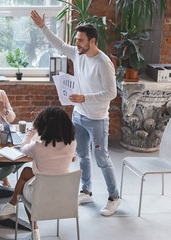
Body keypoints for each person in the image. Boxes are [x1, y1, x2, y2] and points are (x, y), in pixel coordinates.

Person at [31, 10, 121, 216]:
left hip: (97, 118)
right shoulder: (78, 54)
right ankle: (87, 191)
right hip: (78, 115)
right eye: (76, 40)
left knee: (102, 158)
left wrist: (85, 97)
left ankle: (114, 197)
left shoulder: (103, 63)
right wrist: (43, 27)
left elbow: (112, 93)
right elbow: (60, 45)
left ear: (92, 41)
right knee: (81, 155)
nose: (77, 43)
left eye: (80, 40)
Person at [0, 106, 76, 240]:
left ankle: (27, 220)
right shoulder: (72, 143)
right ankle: (11, 206)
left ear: (44, 126)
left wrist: (32, 128)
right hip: (63, 196)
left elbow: (22, 147)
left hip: (40, 197)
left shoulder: (38, 146)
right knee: (27, 172)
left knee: (25, 184)